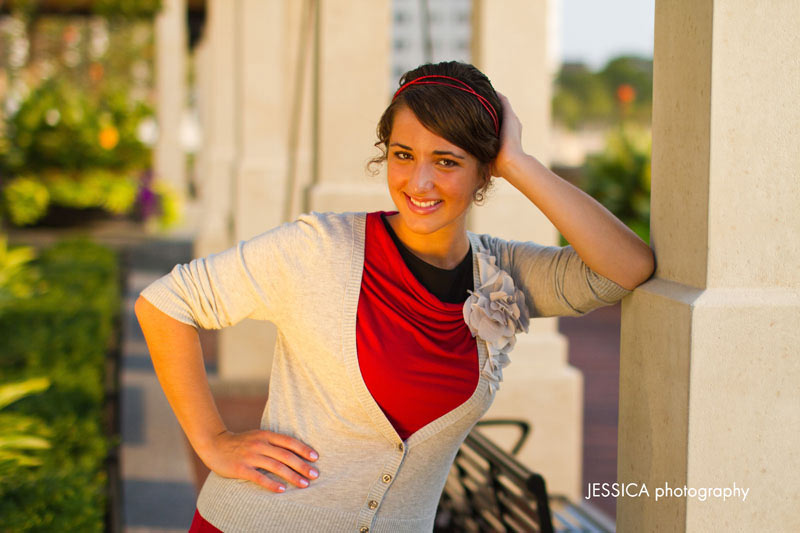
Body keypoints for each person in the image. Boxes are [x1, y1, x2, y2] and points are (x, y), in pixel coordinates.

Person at [135, 61, 654, 533]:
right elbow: (165, 302)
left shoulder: (505, 271)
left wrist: (519, 163)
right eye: (403, 155)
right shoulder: (320, 248)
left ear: (483, 171)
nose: (419, 181)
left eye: (447, 161)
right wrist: (213, 442)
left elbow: (625, 268)